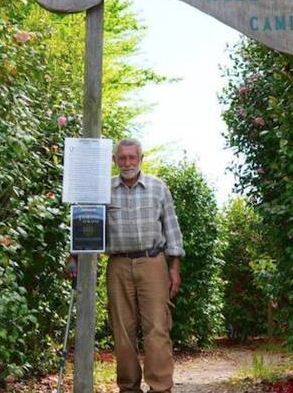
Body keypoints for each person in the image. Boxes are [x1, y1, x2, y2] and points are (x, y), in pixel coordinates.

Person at [68, 138, 184, 393]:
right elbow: (87, 224)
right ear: (114, 161)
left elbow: (172, 229)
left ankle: (160, 387)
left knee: (157, 328)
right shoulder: (103, 190)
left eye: (132, 157)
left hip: (153, 262)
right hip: (118, 265)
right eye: (122, 158)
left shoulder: (157, 187)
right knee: (121, 331)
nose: (128, 162)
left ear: (141, 158)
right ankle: (128, 388)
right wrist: (74, 256)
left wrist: (174, 267)